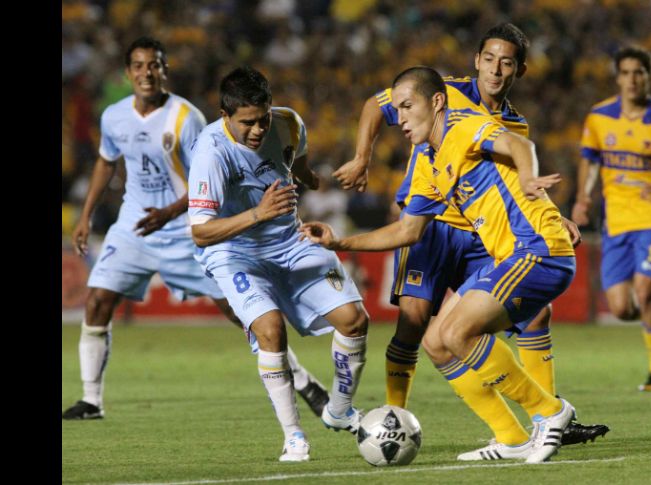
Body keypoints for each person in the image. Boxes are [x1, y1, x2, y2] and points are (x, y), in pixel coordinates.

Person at [333, 22, 607, 445]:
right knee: (415, 323)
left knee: (531, 314)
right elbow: (375, 105)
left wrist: (552, 213)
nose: (496, 70)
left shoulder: (515, 124)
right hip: (433, 225)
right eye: (490, 59)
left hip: (483, 232)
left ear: (520, 71)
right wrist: (362, 158)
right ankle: (395, 419)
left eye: (507, 63)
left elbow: (517, 174)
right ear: (477, 61)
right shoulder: (440, 92)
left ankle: (546, 419)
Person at [62, 37, 329, 421]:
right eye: (138, 66)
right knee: (98, 300)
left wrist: (169, 212)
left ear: (165, 70)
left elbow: (207, 183)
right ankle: (91, 400)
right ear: (128, 73)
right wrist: (87, 215)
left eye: (154, 65)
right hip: (134, 225)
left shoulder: (187, 119)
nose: (146, 73)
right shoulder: (113, 117)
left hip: (186, 230)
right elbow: (107, 162)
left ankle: (302, 380)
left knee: (242, 314)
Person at [187, 66, 370, 462]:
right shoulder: (210, 152)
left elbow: (296, 167)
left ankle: (338, 412)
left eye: (262, 119)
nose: (257, 130)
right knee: (270, 330)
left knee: (355, 320)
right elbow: (200, 233)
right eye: (247, 123)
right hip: (235, 252)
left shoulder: (288, 123)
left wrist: (318, 180)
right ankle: (294, 437)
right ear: (225, 115)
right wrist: (259, 213)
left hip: (290, 241)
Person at [570, 46, 651, 392]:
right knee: (622, 308)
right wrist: (583, 197)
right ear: (617, 78)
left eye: (639, 72)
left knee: (643, 292)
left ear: (648, 77)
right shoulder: (599, 117)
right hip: (615, 221)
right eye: (626, 72)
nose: (632, 79)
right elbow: (590, 159)